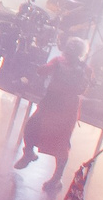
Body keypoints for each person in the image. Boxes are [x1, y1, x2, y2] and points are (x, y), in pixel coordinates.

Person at [14, 39, 88, 185]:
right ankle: (28, 153)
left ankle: (56, 177)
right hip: (51, 102)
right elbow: (43, 71)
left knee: (61, 143)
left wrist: (81, 76)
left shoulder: (84, 68)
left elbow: (84, 87)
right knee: (31, 127)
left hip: (67, 108)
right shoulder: (58, 61)